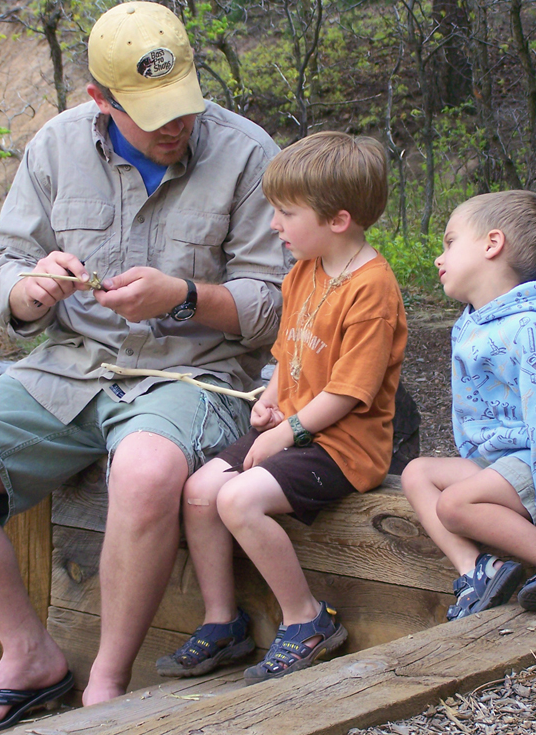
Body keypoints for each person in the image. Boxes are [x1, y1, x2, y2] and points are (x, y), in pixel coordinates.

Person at [0, 1, 287, 734]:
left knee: (141, 469)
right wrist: (28, 288)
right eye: (151, 113)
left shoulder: (248, 152)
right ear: (99, 101)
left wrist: (187, 297)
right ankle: (29, 655)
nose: (176, 125)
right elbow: (3, 268)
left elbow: (275, 305)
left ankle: (105, 687)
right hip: (70, 367)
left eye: (183, 106)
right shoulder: (54, 146)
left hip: (192, 372)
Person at [153, 132, 407, 684]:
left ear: (337, 220)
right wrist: (271, 398)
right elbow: (288, 351)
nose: (274, 225)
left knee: (239, 499)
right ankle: (224, 621)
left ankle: (307, 620)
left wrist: (284, 432)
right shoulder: (304, 271)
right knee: (199, 493)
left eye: (286, 213)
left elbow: (346, 392)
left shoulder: (372, 289)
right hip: (298, 426)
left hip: (344, 444)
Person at [401, 190, 536, 623]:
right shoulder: (485, 322)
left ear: (491, 244)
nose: (439, 258)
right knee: (416, 473)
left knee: (454, 505)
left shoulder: (534, 328)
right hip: (514, 460)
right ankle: (478, 570)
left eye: (450, 242)